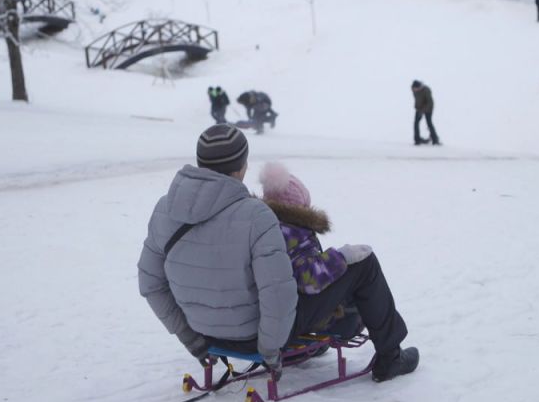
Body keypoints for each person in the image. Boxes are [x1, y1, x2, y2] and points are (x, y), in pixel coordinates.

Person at [137, 124, 419, 383]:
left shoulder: (165, 209)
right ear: (242, 166)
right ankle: (390, 358)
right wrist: (271, 351)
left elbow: (151, 284)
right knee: (364, 263)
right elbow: (279, 293)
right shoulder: (255, 215)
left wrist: (194, 341)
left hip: (206, 334)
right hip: (256, 338)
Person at [259, 162, 362, 338]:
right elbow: (309, 280)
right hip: (296, 318)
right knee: (361, 272)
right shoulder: (292, 233)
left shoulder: (261, 228)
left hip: (270, 315)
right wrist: (340, 258)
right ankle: (389, 351)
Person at [411, 80, 440, 146]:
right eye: (413, 89)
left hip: (429, 108)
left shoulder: (426, 90)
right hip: (419, 108)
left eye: (416, 89)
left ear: (420, 87)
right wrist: (417, 108)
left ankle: (435, 140)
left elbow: (430, 102)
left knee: (429, 122)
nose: (414, 90)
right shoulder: (413, 90)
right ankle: (417, 140)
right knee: (416, 123)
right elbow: (417, 99)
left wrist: (423, 111)